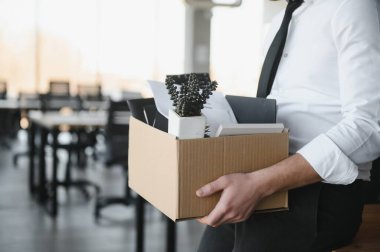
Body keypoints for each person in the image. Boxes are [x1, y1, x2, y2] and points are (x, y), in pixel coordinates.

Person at [196, 0, 380, 251]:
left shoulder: (350, 6)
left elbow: (370, 125)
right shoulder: (280, 21)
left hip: (323, 193)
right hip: (265, 177)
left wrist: (259, 184)